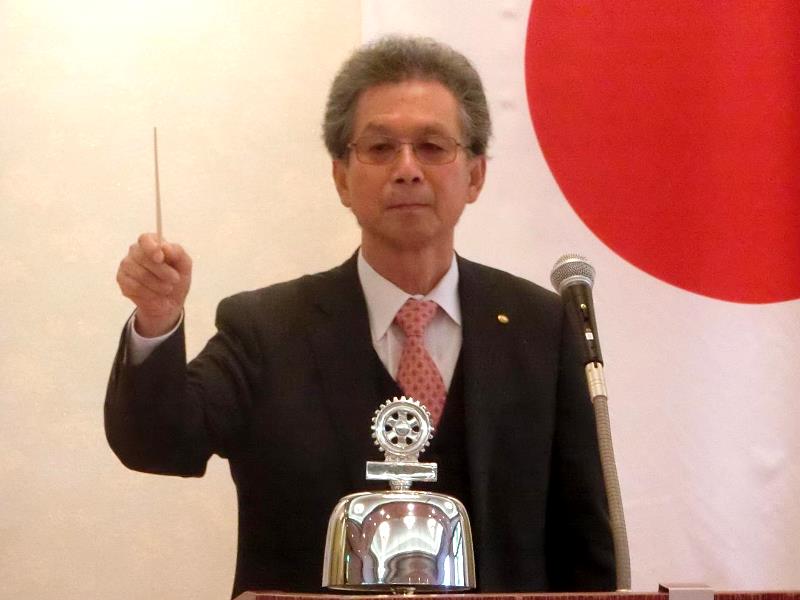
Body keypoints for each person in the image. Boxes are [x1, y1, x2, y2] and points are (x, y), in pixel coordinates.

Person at [106, 36, 615, 597]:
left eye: (432, 146)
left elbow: (585, 543)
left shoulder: (540, 327)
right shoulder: (266, 329)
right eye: (379, 148)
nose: (407, 169)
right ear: (341, 177)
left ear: (475, 175)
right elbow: (157, 442)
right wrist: (157, 319)